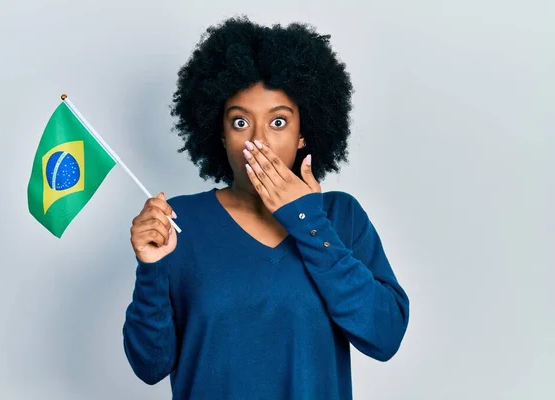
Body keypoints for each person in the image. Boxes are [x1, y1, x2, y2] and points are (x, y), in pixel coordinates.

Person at [122, 16, 409, 400]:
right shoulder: (178, 222)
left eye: (278, 122)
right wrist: (151, 269)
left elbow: (385, 335)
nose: (258, 142)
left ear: (304, 133)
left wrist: (308, 221)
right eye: (240, 122)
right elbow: (150, 365)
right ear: (220, 134)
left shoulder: (340, 217)